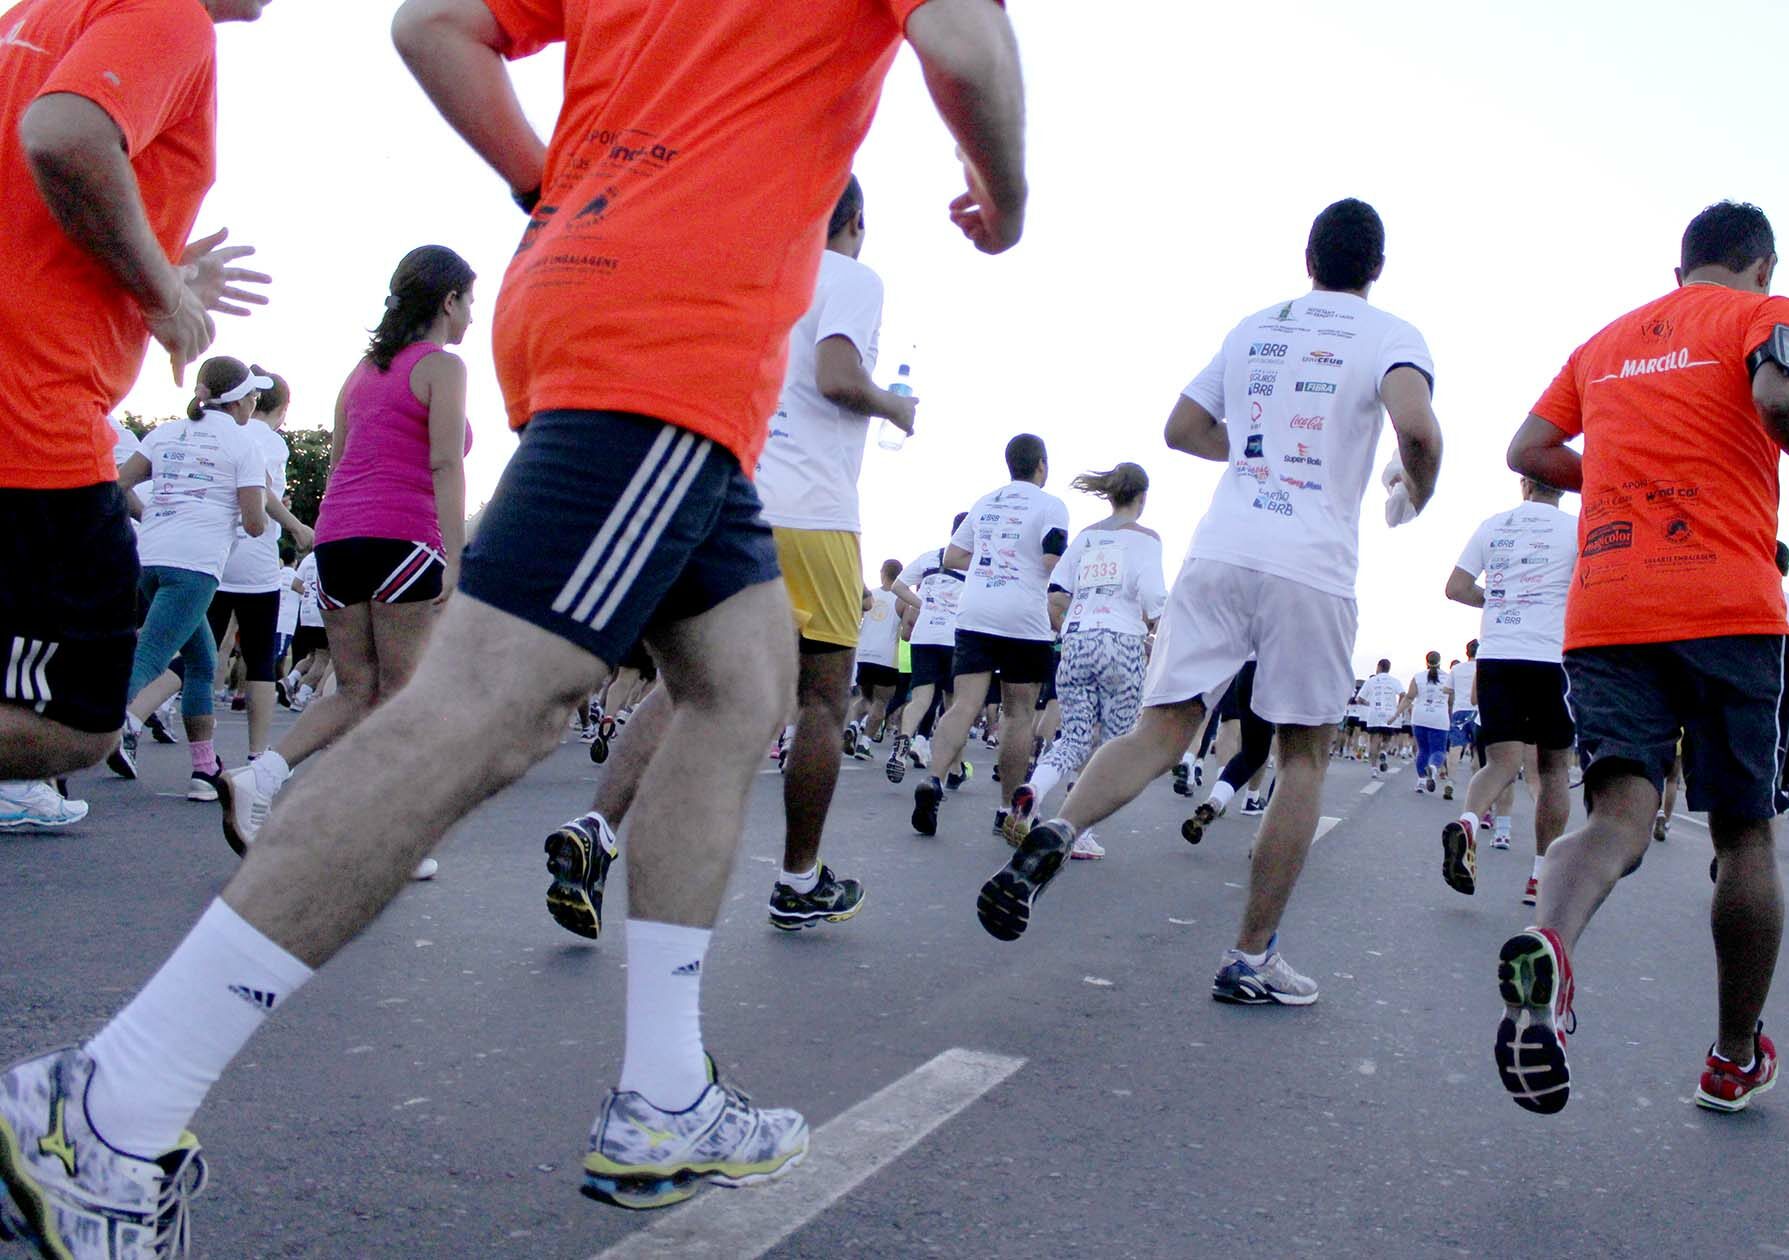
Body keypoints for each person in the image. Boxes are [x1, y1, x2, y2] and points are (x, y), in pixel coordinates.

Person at [0, 4, 1028, 1252]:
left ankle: (663, 1092)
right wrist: (998, 190)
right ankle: (110, 1107)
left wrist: (552, 182)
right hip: (673, 335)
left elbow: (434, 25)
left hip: (595, 292)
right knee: (481, 710)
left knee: (742, 681)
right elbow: (968, 47)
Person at [975, 198, 1441, 1011]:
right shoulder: (1390, 334)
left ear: (1308, 257)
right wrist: (1415, 489)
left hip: (1221, 546)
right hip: (1310, 567)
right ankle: (1249, 956)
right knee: (1300, 759)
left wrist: (1251, 451)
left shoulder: (1253, 326)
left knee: (1159, 730)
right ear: (1375, 267)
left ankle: (1056, 829)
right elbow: (1419, 432)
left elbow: (1182, 427)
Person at [544, 174, 926, 935]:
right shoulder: (851, 276)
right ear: (852, 222)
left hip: (725, 495)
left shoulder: (756, 275)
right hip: (813, 512)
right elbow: (838, 376)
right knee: (821, 700)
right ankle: (797, 880)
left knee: (687, 686)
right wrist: (894, 405)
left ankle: (596, 830)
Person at [1495, 200, 1789, 1116]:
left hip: (1610, 604)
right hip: (1727, 604)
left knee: (1619, 811)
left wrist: (1621, 466)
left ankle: (1550, 944)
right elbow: (1778, 400)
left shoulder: (1604, 342)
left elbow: (1529, 449)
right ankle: (1731, 1057)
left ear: (1680, 269)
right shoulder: (1763, 319)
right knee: (1743, 834)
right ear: (1761, 268)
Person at [0, 0, 272, 806]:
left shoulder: (46, 12)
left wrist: (159, 263)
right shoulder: (169, 12)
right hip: (32, 419)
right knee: (78, 718)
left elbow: (28, 213)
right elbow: (62, 136)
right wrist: (163, 293)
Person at [215, 247, 474, 885]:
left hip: (338, 538)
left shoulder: (359, 375)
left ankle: (260, 777)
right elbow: (446, 462)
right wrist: (457, 555)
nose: (471, 315)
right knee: (404, 698)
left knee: (358, 689)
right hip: (404, 537)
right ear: (448, 302)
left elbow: (336, 464)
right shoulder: (443, 367)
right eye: (469, 301)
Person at [110, 358, 270, 800]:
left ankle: (204, 770)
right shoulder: (244, 445)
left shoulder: (164, 433)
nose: (254, 403)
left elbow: (117, 484)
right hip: (196, 565)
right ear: (240, 401)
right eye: (253, 397)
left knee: (200, 663)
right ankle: (87, 734)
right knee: (149, 657)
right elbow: (256, 524)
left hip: (151, 557)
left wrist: (153, 516)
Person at [911, 433, 1070, 838]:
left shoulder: (985, 502)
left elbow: (952, 557)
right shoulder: (1051, 505)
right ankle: (1004, 810)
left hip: (976, 609)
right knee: (1018, 715)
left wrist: (990, 561)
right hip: (1024, 617)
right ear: (1042, 465)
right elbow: (1054, 557)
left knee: (964, 703)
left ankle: (933, 778)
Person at [1006, 463, 1167, 859]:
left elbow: (1057, 592)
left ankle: (1034, 790)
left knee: (1073, 737)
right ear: (1142, 497)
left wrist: (1068, 623)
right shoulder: (1146, 539)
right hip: (1121, 642)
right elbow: (1154, 599)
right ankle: (1078, 831)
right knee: (1114, 745)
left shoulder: (1085, 538)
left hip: (1077, 639)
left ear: (1111, 495)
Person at [1441, 477, 1577, 905]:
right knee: (1553, 770)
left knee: (1500, 762)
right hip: (1554, 657)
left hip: (1499, 653)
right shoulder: (1578, 528)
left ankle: (1467, 821)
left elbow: (1456, 587)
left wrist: (1495, 603)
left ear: (1523, 485)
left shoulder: (1492, 526)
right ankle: (1540, 874)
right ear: (1564, 487)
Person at [207, 370, 315, 760]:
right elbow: (262, 489)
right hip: (254, 557)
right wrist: (296, 525)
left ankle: (140, 713)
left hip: (216, 553)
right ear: (283, 410)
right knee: (259, 660)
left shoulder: (226, 433)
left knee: (203, 648)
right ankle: (256, 753)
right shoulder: (269, 441)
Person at [887, 513, 969, 783]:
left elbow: (898, 585)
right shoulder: (975, 563)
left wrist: (923, 604)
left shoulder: (929, 557)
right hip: (954, 637)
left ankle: (902, 746)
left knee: (921, 698)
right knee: (953, 705)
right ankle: (949, 770)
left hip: (924, 635)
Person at [848, 559, 917, 758]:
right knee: (880, 702)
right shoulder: (903, 600)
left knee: (864, 698)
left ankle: (853, 726)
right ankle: (865, 743)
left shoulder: (870, 596)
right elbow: (905, 634)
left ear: (882, 573)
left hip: (864, 654)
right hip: (886, 657)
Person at [1393, 651, 1452, 794]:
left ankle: (1421, 781)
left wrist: (1396, 714)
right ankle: (1433, 767)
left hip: (1420, 717)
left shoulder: (1418, 677)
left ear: (1426, 662)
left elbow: (1408, 698)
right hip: (1439, 718)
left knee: (1423, 750)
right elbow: (1451, 702)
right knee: (1438, 750)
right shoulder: (1448, 678)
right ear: (1440, 661)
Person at [1444, 638, 1480, 795]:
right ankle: (1476, 785)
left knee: (1455, 748)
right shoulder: (1483, 667)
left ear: (1467, 652)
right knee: (1478, 749)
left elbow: (1446, 689)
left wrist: (1458, 690)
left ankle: (1450, 781)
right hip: (1478, 712)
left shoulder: (1457, 668)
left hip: (1459, 710)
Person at [1357, 658, 1403, 776]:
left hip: (1374, 715)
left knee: (1373, 740)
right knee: (1387, 738)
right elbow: (1403, 694)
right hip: (1389, 714)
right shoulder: (1394, 681)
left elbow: (1359, 698)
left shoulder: (1372, 680)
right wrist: (1398, 707)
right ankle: (1383, 751)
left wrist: (1368, 703)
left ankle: (1374, 769)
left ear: (1378, 667)